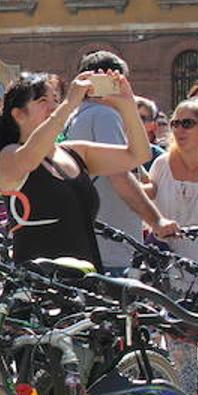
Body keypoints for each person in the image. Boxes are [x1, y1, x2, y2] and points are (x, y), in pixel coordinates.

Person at [0, 71, 150, 267]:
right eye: (42, 101)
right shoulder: (9, 156)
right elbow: (30, 159)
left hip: (85, 285)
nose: (53, 106)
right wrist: (69, 104)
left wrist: (127, 104)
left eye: (56, 99)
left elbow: (138, 155)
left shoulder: (75, 153)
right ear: (18, 114)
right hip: (36, 289)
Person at [64, 51, 178, 273]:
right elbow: (120, 176)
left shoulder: (74, 116)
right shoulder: (104, 115)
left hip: (88, 240)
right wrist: (157, 221)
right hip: (112, 246)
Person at [148, 98, 198, 268]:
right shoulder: (161, 164)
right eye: (175, 123)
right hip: (163, 271)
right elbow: (142, 197)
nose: (179, 129)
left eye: (187, 123)